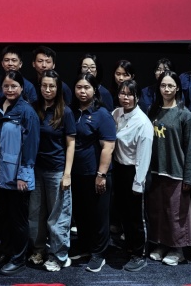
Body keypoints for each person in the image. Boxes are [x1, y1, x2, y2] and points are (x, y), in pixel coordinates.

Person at [0, 71, 39, 276]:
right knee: (4, 217)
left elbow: (31, 145)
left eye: (14, 86)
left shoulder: (27, 112)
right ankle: (6, 251)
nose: (9, 90)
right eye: (6, 86)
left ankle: (19, 258)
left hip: (16, 175)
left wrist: (23, 175)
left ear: (21, 88)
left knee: (18, 219)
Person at [145, 70, 191, 266]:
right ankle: (161, 244)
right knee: (158, 211)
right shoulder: (152, 111)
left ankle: (177, 250)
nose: (166, 89)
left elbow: (189, 148)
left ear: (177, 88)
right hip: (155, 171)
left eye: (170, 86)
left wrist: (188, 177)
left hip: (176, 172)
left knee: (176, 214)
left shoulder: (185, 114)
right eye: (163, 85)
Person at [28, 72, 75, 272]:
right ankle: (39, 250)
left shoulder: (65, 112)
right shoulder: (33, 108)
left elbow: (71, 144)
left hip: (57, 170)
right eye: (44, 86)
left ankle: (58, 255)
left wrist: (67, 174)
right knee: (35, 214)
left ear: (58, 88)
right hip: (36, 170)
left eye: (52, 86)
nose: (47, 90)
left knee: (58, 217)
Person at [68, 73, 114, 273]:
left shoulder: (102, 114)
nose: (82, 91)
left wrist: (101, 175)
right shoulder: (71, 111)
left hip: (96, 174)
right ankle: (85, 247)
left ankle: (99, 254)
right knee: (81, 214)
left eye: (86, 87)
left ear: (94, 90)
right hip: (76, 173)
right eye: (79, 87)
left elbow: (108, 147)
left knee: (98, 216)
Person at [112, 79, 154, 272]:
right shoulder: (116, 113)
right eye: (122, 93)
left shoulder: (143, 123)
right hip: (119, 169)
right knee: (124, 214)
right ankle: (129, 247)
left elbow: (144, 157)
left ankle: (140, 254)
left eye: (130, 94)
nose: (125, 98)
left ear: (137, 97)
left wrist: (139, 183)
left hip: (135, 172)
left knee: (137, 217)